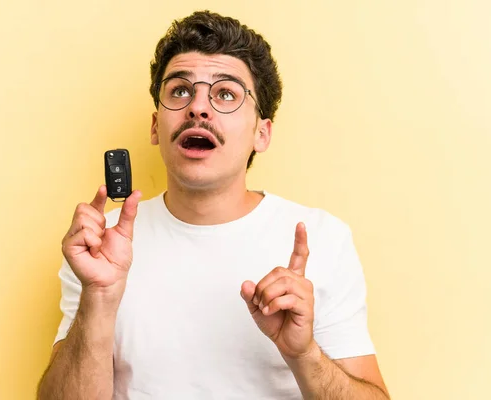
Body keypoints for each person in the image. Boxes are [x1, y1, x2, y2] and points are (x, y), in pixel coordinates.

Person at [37, 10, 389, 400]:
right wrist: (98, 298)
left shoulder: (323, 237)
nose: (198, 109)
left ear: (261, 132)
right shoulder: (101, 244)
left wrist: (304, 354)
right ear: (157, 126)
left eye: (225, 93)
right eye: (180, 90)